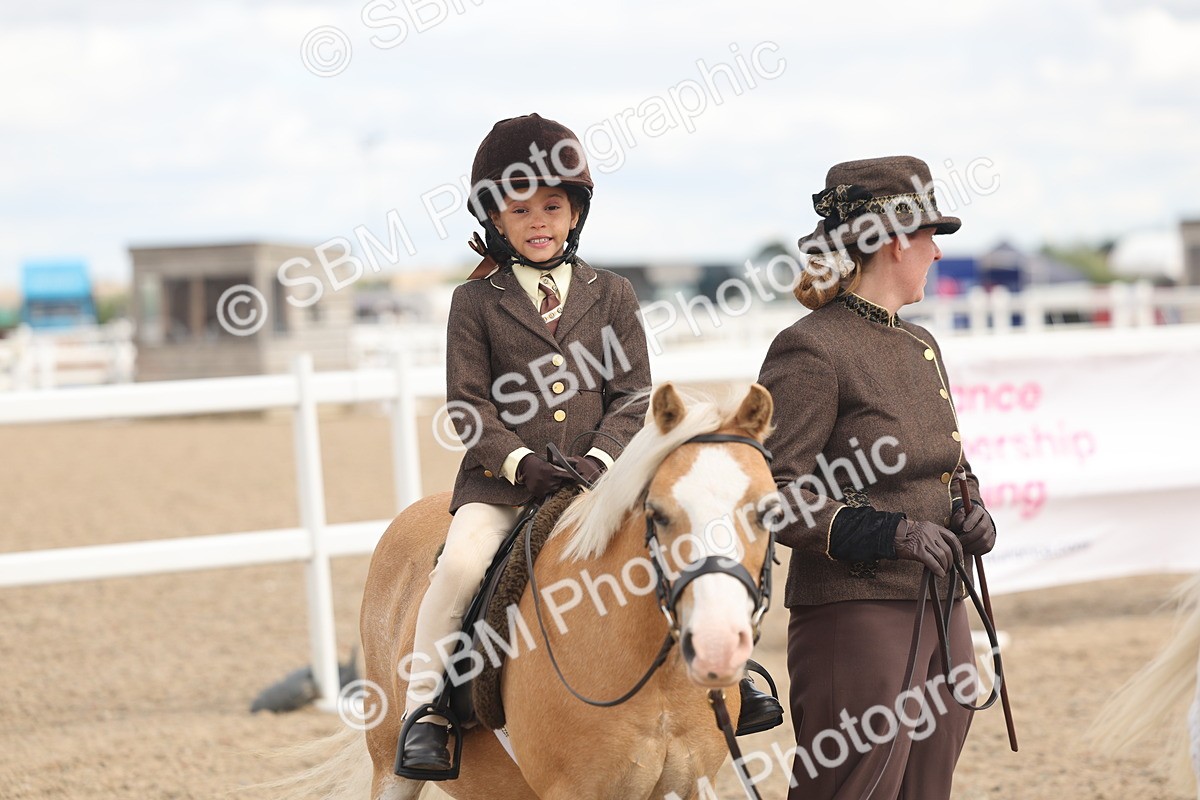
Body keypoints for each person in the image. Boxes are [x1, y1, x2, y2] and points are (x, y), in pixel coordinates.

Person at [398, 114, 780, 775]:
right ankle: (428, 708)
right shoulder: (475, 302)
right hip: (505, 484)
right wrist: (521, 463)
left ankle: (727, 676)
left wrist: (600, 461)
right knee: (459, 567)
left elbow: (635, 397)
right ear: (496, 218)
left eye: (553, 206)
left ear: (575, 214)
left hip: (603, 476)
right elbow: (469, 406)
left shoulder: (614, 294)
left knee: (687, 536)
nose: (539, 221)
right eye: (521, 209)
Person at [756, 156, 998, 799]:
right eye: (931, 238)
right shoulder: (809, 347)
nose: (937, 255)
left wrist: (971, 506)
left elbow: (950, 461)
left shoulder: (923, 346)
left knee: (927, 785)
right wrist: (887, 532)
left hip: (941, 599)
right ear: (896, 241)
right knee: (853, 787)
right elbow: (773, 494)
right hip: (855, 609)